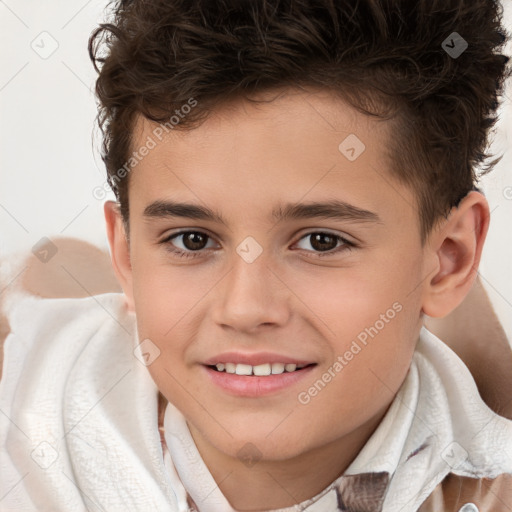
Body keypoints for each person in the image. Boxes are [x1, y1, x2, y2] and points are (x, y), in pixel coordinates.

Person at [1, 1, 512, 511]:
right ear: (128, 256)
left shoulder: (485, 482)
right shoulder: (24, 406)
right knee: (54, 265)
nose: (244, 310)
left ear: (453, 257)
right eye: (192, 239)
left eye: (321, 241)